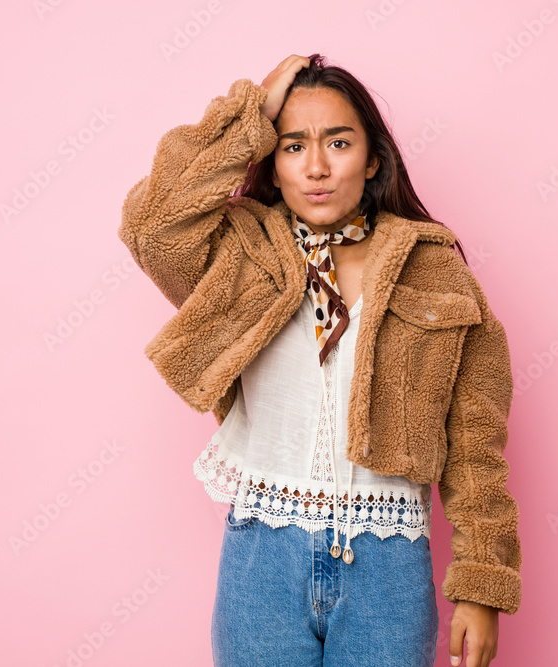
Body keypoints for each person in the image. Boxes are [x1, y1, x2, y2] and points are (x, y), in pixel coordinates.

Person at [118, 53, 522, 667]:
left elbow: (474, 443)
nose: (316, 167)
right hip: (263, 560)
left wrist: (481, 584)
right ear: (271, 166)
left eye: (338, 142)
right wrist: (252, 108)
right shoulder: (239, 256)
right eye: (291, 146)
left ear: (373, 158)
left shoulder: (434, 270)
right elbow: (151, 223)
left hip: (387, 567)